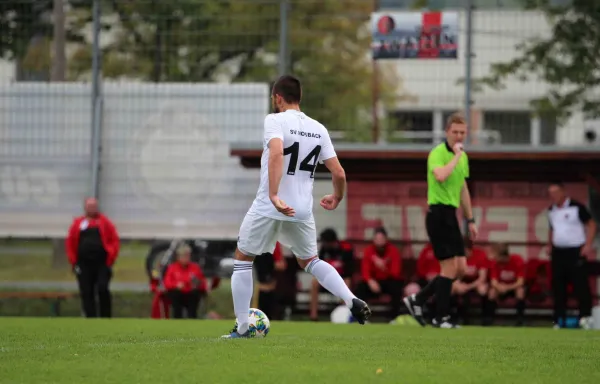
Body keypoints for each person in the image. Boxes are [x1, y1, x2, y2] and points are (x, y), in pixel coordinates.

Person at [223, 75, 371, 338]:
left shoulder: (274, 120)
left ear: (278, 98)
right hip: (302, 210)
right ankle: (350, 300)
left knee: (243, 260)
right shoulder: (319, 129)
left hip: (271, 206)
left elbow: (277, 152)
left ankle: (243, 327)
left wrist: (274, 195)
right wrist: (337, 197)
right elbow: (339, 173)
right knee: (311, 261)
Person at [403, 112, 478, 329]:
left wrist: (471, 219)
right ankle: (440, 317)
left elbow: (463, 189)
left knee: (461, 268)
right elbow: (441, 175)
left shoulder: (463, 158)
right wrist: (455, 156)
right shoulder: (438, 153)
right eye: (455, 132)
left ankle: (418, 299)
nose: (459, 136)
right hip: (437, 214)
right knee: (448, 268)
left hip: (451, 215)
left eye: (462, 132)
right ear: (447, 132)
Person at [547, 182, 596, 329]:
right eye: (551, 194)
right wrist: (550, 244)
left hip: (575, 251)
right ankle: (559, 319)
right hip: (558, 252)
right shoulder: (551, 210)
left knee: (580, 285)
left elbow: (592, 224)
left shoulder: (577, 207)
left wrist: (588, 245)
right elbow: (552, 229)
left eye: (556, 192)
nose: (553, 196)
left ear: (563, 192)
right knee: (558, 287)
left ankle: (585, 317)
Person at [66, 197, 120, 318]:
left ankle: (106, 317)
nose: (92, 208)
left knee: (102, 288)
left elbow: (114, 240)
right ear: (85, 207)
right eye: (90, 206)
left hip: (101, 264)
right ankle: (91, 318)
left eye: (94, 206)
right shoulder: (78, 224)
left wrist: (111, 256)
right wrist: (73, 261)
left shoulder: (105, 222)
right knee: (86, 291)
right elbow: (70, 243)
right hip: (83, 264)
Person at [357, 227, 403, 320]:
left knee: (397, 288)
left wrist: (383, 267)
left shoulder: (393, 250)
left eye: (381, 239)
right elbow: (365, 270)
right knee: (360, 288)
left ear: (386, 239)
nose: (379, 242)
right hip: (373, 282)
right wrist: (370, 281)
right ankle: (362, 316)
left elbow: (396, 272)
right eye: (377, 239)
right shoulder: (369, 250)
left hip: (388, 281)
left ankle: (393, 318)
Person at [309, 228, 356, 321]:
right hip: (327, 281)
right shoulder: (323, 250)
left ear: (332, 242)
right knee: (314, 282)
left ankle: (344, 313)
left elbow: (349, 272)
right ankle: (313, 316)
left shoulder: (346, 249)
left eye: (326, 242)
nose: (324, 244)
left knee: (347, 282)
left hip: (341, 279)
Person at [484, 243, 526, 326]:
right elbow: (493, 282)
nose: (494, 258)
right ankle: (489, 320)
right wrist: (499, 287)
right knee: (492, 292)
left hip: (512, 287)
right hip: (500, 288)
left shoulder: (517, 260)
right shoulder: (495, 263)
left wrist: (507, 287)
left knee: (520, 291)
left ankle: (520, 319)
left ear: (503, 256)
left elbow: (520, 282)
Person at [163, 243, 207, 319]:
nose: (186, 258)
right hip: (178, 293)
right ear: (178, 257)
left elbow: (203, 283)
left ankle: (192, 318)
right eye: (183, 256)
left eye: (187, 255)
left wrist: (197, 284)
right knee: (175, 295)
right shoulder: (172, 268)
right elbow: (167, 283)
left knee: (194, 296)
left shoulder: (195, 268)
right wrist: (176, 285)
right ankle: (177, 319)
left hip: (191, 294)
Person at [452, 237, 489, 325]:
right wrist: (458, 284)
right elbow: (453, 275)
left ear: (469, 249)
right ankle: (454, 316)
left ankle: (485, 318)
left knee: (483, 290)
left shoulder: (480, 254)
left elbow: (482, 278)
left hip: (475, 282)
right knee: (452, 288)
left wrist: (468, 287)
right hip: (461, 281)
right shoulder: (457, 256)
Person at [254, 242, 286, 319]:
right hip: (262, 282)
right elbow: (280, 265)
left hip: (267, 282)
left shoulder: (273, 243)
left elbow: (280, 265)